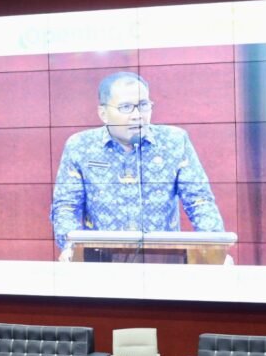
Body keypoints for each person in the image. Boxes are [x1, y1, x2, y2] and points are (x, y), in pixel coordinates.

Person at [50, 71, 224, 262]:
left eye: (143, 105)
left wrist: (215, 248)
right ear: (103, 113)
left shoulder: (175, 141)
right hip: (100, 260)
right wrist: (69, 247)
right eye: (126, 107)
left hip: (163, 259)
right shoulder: (80, 146)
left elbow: (199, 201)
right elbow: (66, 206)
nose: (137, 115)